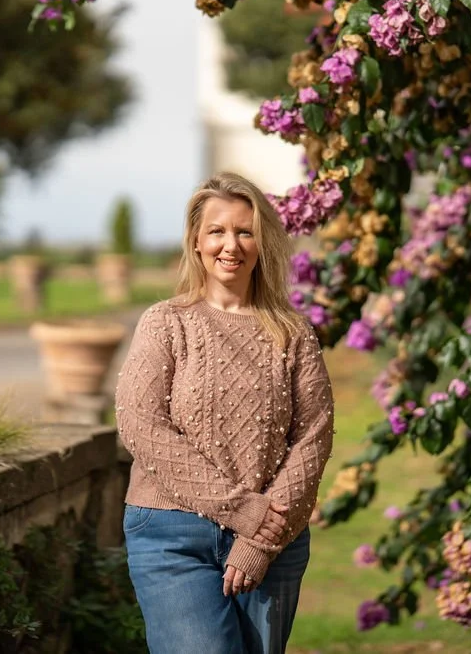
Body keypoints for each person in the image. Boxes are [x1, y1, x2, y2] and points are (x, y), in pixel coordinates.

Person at [114, 171, 335, 653]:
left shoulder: (293, 333)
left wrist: (259, 538)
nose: (230, 244)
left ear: (262, 242)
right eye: (217, 230)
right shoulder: (166, 323)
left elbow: (313, 439)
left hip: (273, 536)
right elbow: (140, 425)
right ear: (196, 241)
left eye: (244, 230)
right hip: (173, 533)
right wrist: (240, 510)